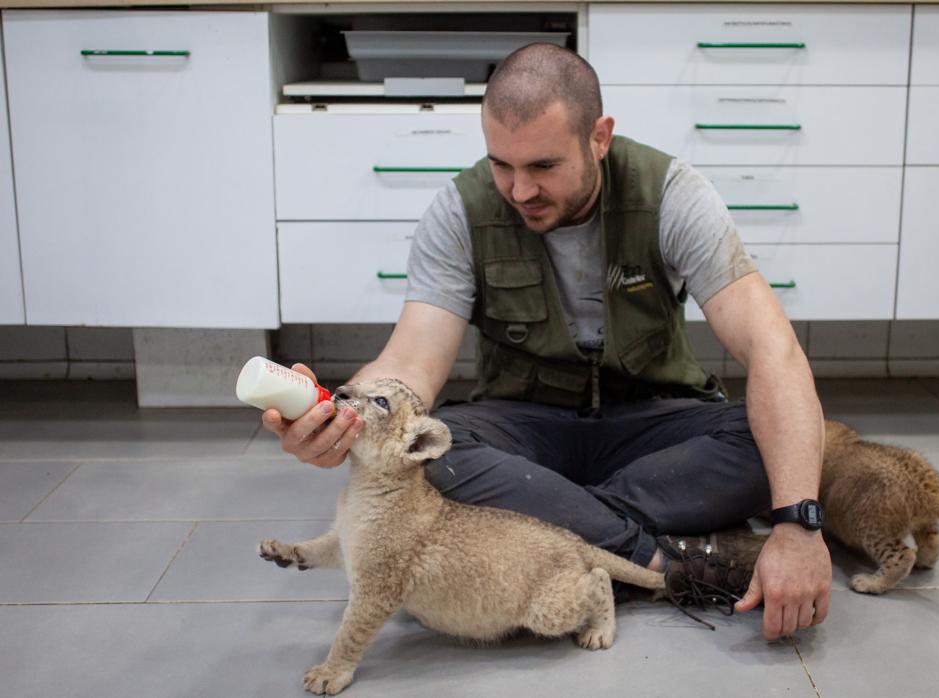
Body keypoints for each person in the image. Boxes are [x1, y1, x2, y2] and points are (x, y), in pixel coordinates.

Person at [262, 42, 831, 641]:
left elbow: (774, 351)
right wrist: (348, 413)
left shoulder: (673, 197)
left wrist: (800, 524)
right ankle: (658, 562)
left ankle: (547, 521)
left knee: (775, 435)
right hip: (524, 429)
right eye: (501, 165)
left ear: (599, 137)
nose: (518, 189)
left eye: (543, 166)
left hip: (649, 425)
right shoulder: (459, 211)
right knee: (436, 455)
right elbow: (411, 362)